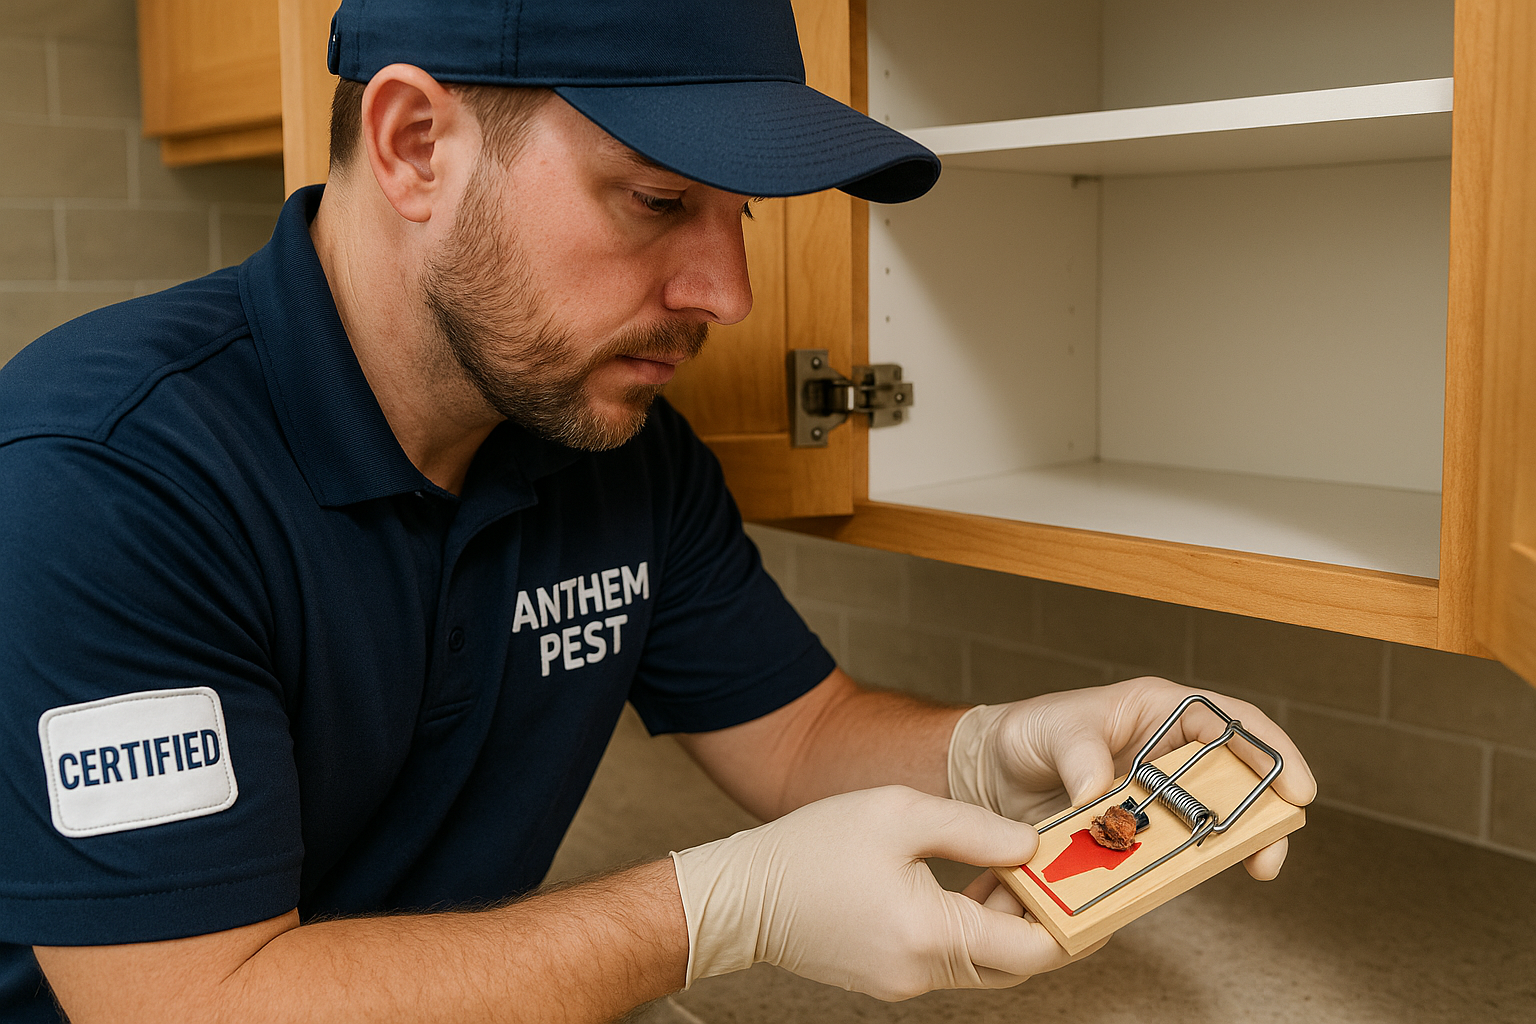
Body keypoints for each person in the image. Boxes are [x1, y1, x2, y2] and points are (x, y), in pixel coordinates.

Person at [0, 1, 1316, 1021]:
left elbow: (803, 739)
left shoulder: (610, 438)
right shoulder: (104, 479)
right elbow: (189, 1005)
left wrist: (1016, 742)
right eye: (658, 200)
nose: (727, 293)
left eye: (736, 216)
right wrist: (717, 911)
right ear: (414, 144)